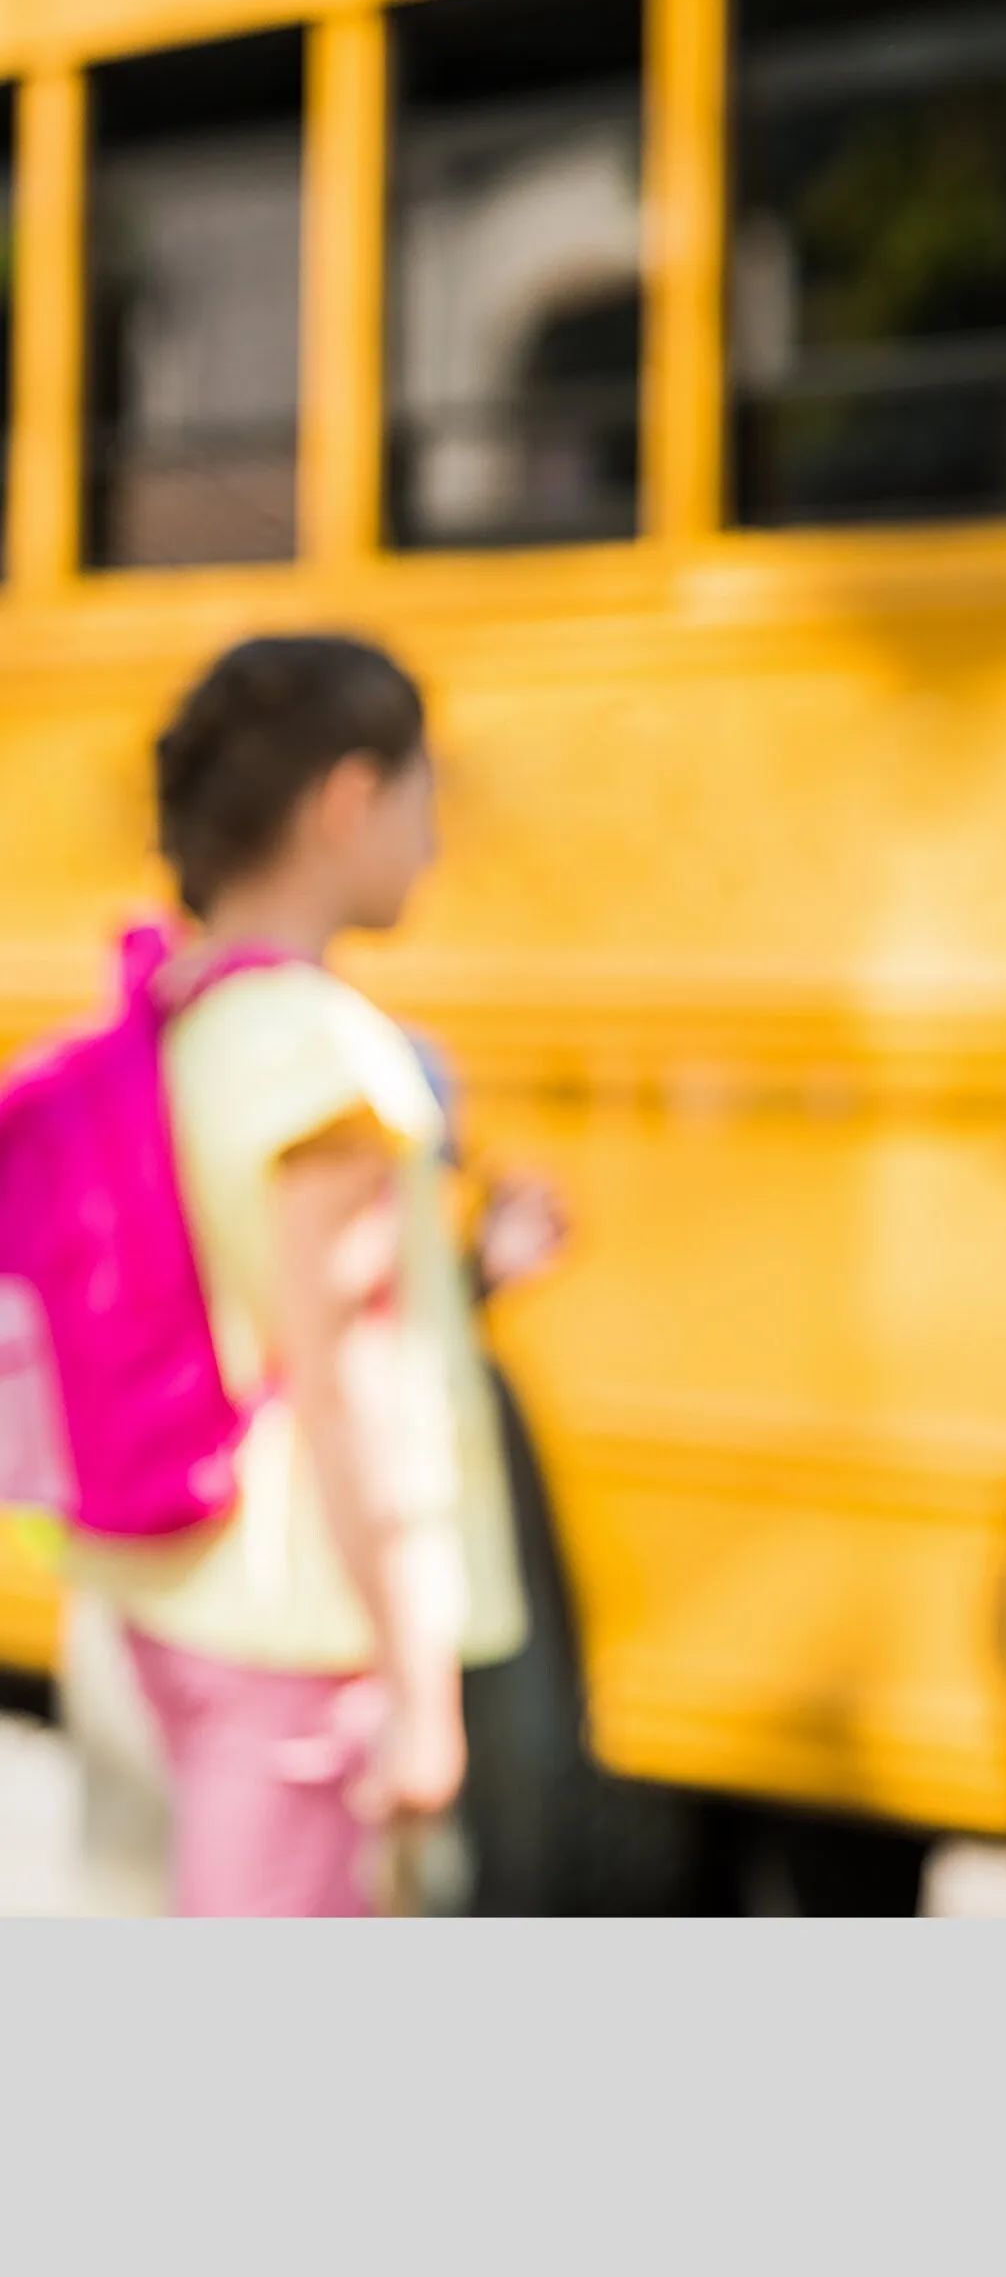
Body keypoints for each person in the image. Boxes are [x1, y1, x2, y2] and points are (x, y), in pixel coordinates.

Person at [65, 634, 526, 1915]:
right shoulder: (325, 1054)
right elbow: (347, 1383)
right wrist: (422, 1689)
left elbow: (242, 1294)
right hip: (299, 1624)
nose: (434, 844)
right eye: (426, 799)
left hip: (177, 1588)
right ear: (347, 801)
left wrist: (467, 1271)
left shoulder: (187, 1010)